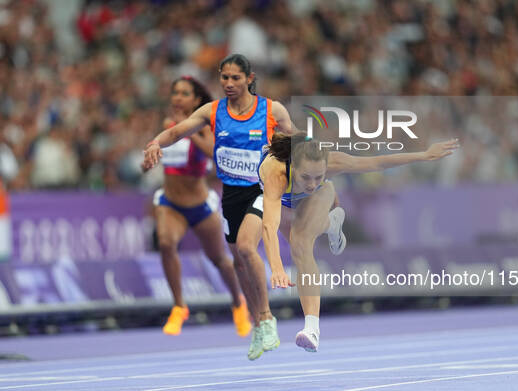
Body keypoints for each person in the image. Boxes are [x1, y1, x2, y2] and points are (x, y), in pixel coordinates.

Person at [142, 54, 296, 360]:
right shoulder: (212, 112)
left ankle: (266, 319)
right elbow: (175, 132)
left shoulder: (272, 110)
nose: (228, 83)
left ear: (249, 79)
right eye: (224, 78)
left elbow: (298, 144)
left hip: (262, 189)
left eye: (235, 78)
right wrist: (155, 144)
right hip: (231, 194)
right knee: (238, 260)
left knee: (246, 248)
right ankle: (255, 321)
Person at [257, 133, 460, 352]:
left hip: (319, 197)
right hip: (282, 196)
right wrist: (276, 268)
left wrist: (425, 155)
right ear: (294, 167)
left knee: (301, 243)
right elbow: (269, 224)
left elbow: (376, 163)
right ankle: (332, 223)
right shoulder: (276, 175)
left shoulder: (329, 167)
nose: (312, 183)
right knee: (290, 232)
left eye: (318, 175)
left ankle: (311, 329)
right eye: (306, 177)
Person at [150, 76, 250, 337]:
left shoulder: (205, 125)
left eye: (184, 93)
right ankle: (179, 306)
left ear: (196, 100)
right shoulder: (166, 125)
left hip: (200, 206)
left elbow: (214, 153)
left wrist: (189, 131)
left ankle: (238, 303)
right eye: (175, 92)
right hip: (171, 204)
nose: (178, 98)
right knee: (165, 243)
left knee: (219, 259)